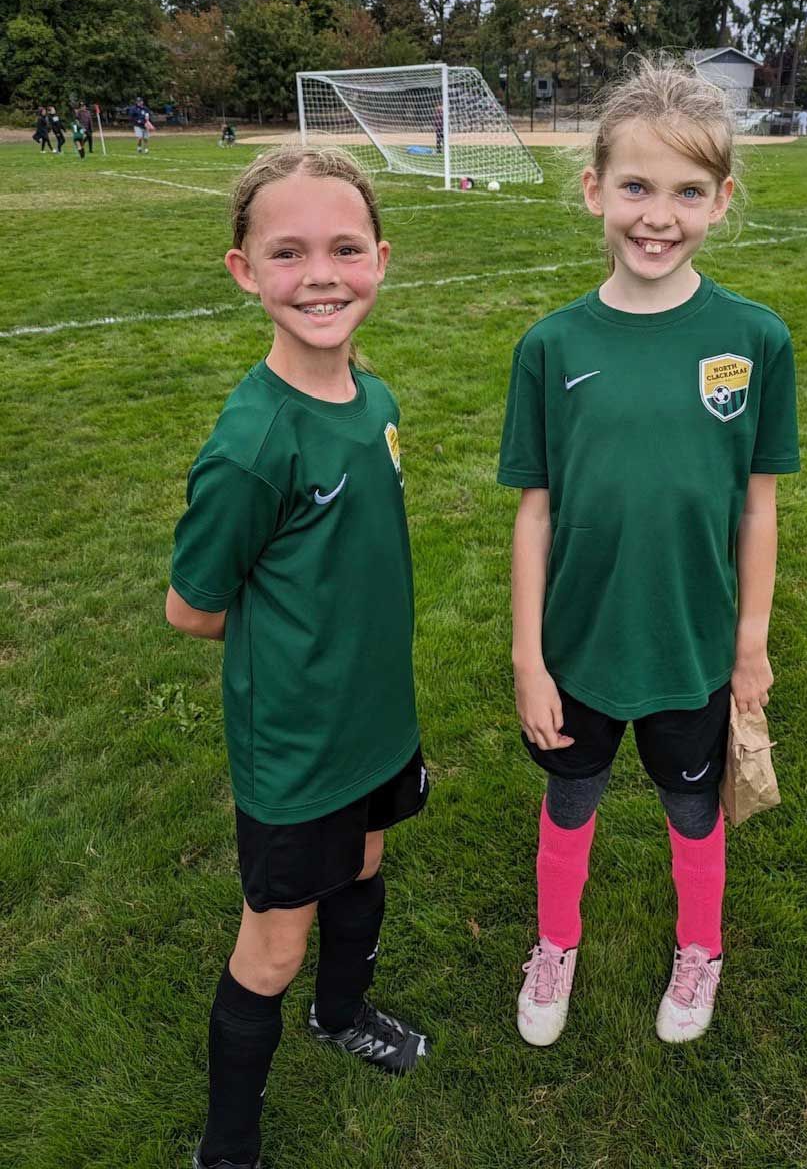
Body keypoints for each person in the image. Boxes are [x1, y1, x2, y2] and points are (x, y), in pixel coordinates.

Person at [497, 56, 800, 1050]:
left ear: (720, 199)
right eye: (635, 186)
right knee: (570, 798)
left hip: (690, 644)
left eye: (685, 191)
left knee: (693, 805)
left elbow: (756, 508)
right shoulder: (549, 346)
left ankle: (698, 949)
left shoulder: (754, 339)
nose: (657, 216)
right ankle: (555, 943)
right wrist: (528, 656)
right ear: (594, 190)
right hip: (579, 645)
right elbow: (534, 514)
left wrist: (748, 641)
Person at [166, 147, 430, 1169]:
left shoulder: (376, 400)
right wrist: (296, 646)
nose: (321, 274)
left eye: (345, 248)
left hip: (377, 717)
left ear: (381, 260)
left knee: (364, 863)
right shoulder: (253, 445)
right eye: (288, 252)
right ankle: (227, 1149)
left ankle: (343, 1011)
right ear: (245, 271)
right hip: (295, 744)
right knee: (273, 944)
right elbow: (192, 609)